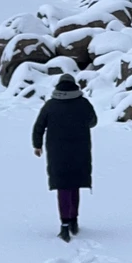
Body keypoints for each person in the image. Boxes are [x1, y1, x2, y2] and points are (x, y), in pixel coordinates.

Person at [32, 74, 96, 241]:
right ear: (74, 86)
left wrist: (37, 145)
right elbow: (93, 121)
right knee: (74, 185)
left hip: (57, 152)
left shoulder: (50, 105)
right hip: (80, 150)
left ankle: (65, 225)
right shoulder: (83, 103)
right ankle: (74, 221)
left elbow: (39, 126)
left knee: (63, 187)